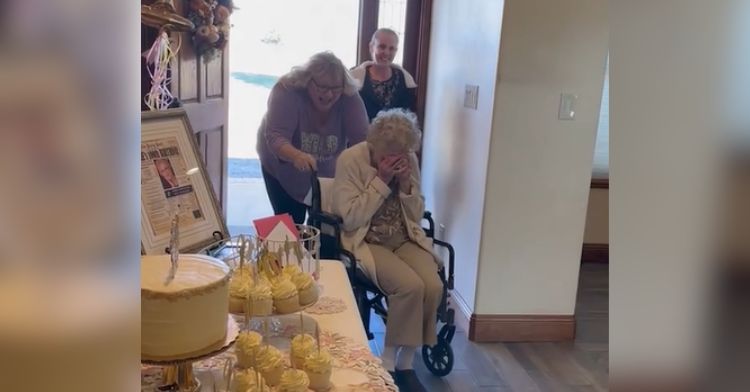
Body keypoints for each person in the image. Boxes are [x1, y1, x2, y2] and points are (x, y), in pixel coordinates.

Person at [332, 109, 439, 392]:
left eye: (401, 156)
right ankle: (389, 362)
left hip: (403, 238)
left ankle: (407, 360)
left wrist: (406, 186)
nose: (394, 161)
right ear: (373, 145)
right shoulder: (351, 160)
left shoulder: (409, 159)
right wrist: (381, 180)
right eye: (386, 156)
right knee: (409, 287)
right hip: (366, 239)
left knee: (433, 285)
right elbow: (350, 218)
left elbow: (416, 216)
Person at [257, 51, 369, 223]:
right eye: (323, 88)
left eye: (335, 90)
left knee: (324, 225)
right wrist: (296, 155)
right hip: (282, 165)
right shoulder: (287, 90)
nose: (329, 95)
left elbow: (362, 141)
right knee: (290, 224)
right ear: (308, 81)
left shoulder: (349, 96)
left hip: (327, 172)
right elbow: (276, 136)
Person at [350, 28, 417, 121]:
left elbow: (409, 119)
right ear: (371, 47)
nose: (386, 53)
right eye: (382, 47)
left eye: (391, 48)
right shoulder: (353, 78)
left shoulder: (405, 81)